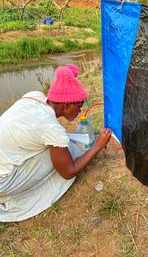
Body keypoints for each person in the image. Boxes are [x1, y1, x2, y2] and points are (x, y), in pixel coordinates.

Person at [0, 64, 111, 222]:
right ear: (66, 105)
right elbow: (68, 172)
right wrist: (97, 147)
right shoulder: (50, 127)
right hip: (3, 182)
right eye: (78, 107)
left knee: (61, 146)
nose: (79, 112)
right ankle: (12, 200)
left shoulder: (34, 96)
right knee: (65, 157)